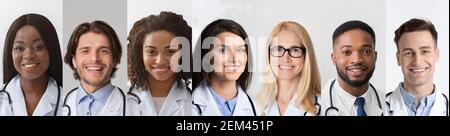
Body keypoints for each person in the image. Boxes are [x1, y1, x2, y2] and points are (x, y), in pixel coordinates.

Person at [127, 11, 192, 116]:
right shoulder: (121, 99)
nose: (160, 61)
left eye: (170, 51)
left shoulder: (197, 101)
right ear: (140, 54)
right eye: (151, 52)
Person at [0, 13, 62, 116]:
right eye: (19, 48)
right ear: (10, 53)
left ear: (51, 49)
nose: (28, 56)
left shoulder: (67, 101)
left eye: (38, 47)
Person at [191, 19, 257, 116]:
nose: (234, 59)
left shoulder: (256, 109)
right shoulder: (186, 108)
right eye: (223, 50)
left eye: (240, 50)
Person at [256, 21, 321, 116]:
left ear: (306, 56)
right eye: (278, 49)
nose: (286, 59)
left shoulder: (324, 107)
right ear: (268, 55)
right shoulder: (256, 105)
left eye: (294, 50)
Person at [386, 18, 448, 116]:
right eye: (408, 53)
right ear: (398, 58)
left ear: (437, 54)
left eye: (424, 51)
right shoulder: (377, 110)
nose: (417, 62)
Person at [320, 20, 384, 116]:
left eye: (366, 51)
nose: (357, 60)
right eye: (347, 52)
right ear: (334, 58)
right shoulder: (314, 107)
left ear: (375, 56)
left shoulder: (387, 102)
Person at [62, 21, 125, 116]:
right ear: (74, 60)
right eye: (85, 51)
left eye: (103, 51)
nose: (94, 58)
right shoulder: (60, 106)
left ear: (115, 60)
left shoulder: (130, 106)